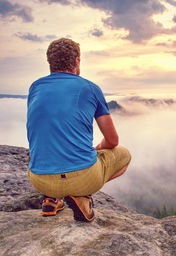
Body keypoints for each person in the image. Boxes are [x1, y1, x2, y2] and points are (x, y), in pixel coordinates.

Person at [26, 38, 131, 222]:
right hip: (83, 177)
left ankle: (52, 199)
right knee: (124, 155)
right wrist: (98, 148)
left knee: (42, 147)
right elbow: (113, 141)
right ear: (76, 61)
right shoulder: (90, 88)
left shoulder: (35, 87)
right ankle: (82, 196)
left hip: (40, 179)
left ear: (50, 63)